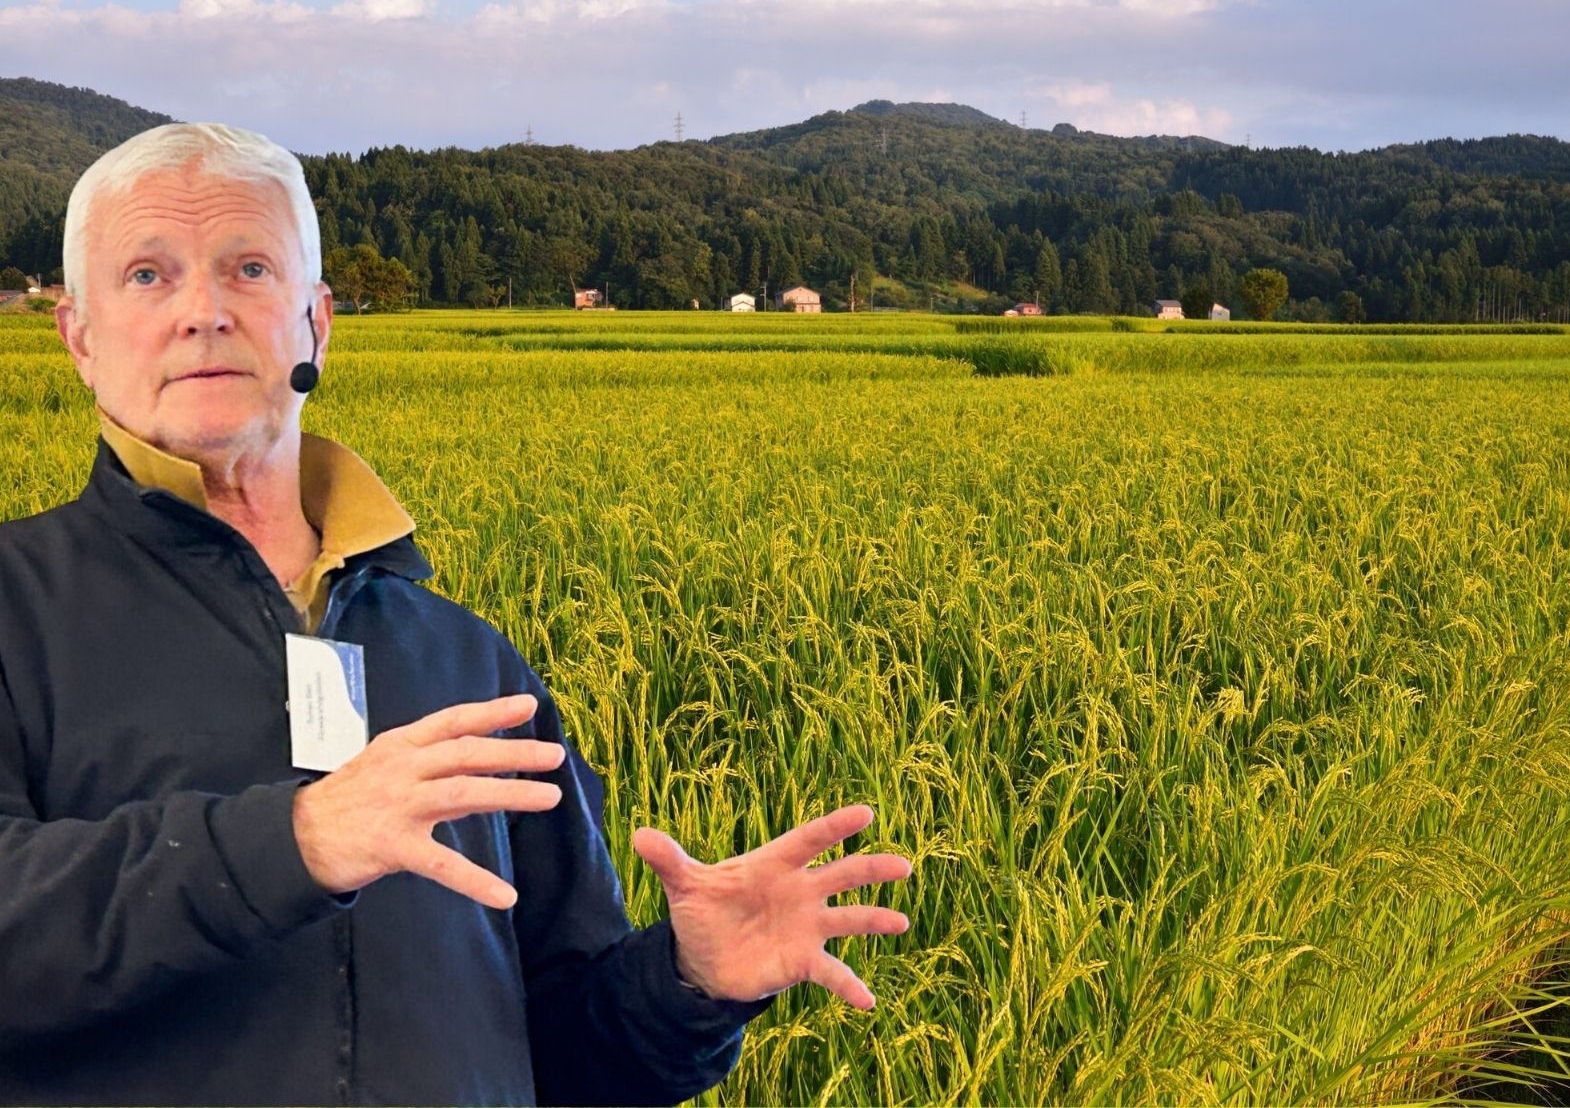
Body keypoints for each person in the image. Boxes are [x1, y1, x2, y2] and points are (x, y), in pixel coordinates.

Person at [0, 123, 912, 1106]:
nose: (204, 313)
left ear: (316, 323)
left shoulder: (465, 660)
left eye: (249, 269)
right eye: (148, 276)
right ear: (79, 337)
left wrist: (687, 985)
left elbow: (558, 1052)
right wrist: (293, 842)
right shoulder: (19, 605)